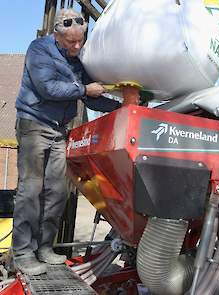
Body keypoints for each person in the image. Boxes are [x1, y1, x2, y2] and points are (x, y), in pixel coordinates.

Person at [13, 8, 120, 275]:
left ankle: (44, 247)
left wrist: (121, 106)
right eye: (71, 42)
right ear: (56, 35)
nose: (77, 46)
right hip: (34, 125)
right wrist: (84, 89)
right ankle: (23, 253)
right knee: (31, 190)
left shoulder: (76, 59)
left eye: (80, 40)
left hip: (59, 130)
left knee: (58, 191)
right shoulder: (39, 50)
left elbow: (91, 97)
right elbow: (47, 88)